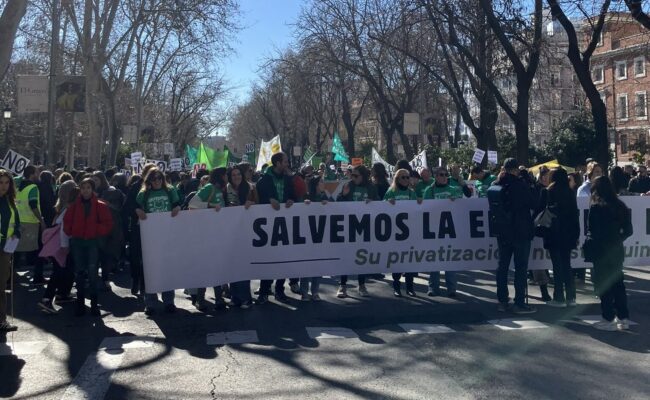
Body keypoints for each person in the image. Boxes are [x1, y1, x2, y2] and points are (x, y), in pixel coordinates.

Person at [587, 176, 633, 331]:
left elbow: (592, 230)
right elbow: (629, 230)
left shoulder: (596, 207)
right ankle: (623, 317)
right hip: (616, 249)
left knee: (603, 285)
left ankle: (608, 317)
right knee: (618, 284)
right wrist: (617, 239)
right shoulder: (620, 205)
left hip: (601, 251)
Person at [492, 158, 537, 314]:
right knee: (521, 267)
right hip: (520, 231)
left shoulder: (496, 185)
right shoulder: (520, 185)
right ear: (515, 170)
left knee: (502, 266)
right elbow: (533, 203)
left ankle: (502, 301)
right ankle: (519, 302)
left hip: (503, 232)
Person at [63, 178, 113, 317]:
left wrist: (95, 230)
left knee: (92, 274)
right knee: (79, 273)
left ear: (92, 189)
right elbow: (67, 222)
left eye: (88, 188)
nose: (85, 190)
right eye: (83, 187)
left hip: (92, 243)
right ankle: (80, 304)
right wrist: (72, 230)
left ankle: (94, 304)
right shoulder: (74, 206)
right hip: (78, 243)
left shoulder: (100, 205)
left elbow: (108, 224)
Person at [135, 168, 181, 315]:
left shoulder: (170, 191)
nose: (157, 182)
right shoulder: (144, 193)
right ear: (149, 181)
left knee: (168, 267)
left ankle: (169, 301)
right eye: (154, 179)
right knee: (150, 269)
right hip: (150, 236)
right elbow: (134, 206)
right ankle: (150, 302)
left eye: (159, 179)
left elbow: (179, 203)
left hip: (167, 235)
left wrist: (177, 208)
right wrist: (138, 211)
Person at [255, 152, 296, 304]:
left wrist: (292, 200)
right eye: (285, 161)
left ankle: (280, 290)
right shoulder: (264, 180)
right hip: (267, 226)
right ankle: (264, 291)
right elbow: (258, 197)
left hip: (284, 224)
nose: (287, 164)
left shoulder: (288, 178)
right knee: (269, 259)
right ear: (278, 163)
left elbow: (293, 195)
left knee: (283, 259)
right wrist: (268, 200)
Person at [423, 166, 468, 297]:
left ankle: (452, 289)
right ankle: (433, 288)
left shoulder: (453, 190)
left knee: (450, 260)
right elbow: (425, 209)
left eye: (445, 175)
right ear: (436, 177)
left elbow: (463, 204)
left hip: (450, 230)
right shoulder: (429, 191)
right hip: (434, 230)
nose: (444, 177)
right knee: (434, 260)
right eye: (441, 175)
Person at [538, 168, 580, 308]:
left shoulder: (547, 192)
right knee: (567, 265)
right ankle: (571, 297)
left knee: (557, 266)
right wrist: (576, 234)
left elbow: (540, 211)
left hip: (553, 232)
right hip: (568, 233)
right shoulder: (570, 193)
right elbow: (575, 215)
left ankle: (559, 297)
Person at [336, 165, 378, 297]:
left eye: (355, 175)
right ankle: (342, 285)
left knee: (362, 256)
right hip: (349, 226)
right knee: (346, 256)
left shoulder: (371, 188)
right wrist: (343, 194)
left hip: (365, 226)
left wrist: (373, 202)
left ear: (363, 176)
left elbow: (379, 204)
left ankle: (362, 285)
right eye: (352, 175)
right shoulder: (349, 185)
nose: (352, 178)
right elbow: (338, 201)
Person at [37, 181, 79, 313]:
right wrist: (66, 245)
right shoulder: (69, 208)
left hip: (57, 245)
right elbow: (64, 230)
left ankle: (62, 295)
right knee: (59, 272)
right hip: (62, 245)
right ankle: (47, 299)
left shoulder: (61, 207)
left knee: (63, 271)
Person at [191, 168, 228, 311]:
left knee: (217, 267)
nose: (227, 177)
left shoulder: (220, 190)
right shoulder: (209, 188)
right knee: (205, 267)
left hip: (217, 234)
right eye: (225, 175)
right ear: (220, 176)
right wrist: (211, 205)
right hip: (205, 235)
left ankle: (219, 298)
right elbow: (192, 205)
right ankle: (200, 299)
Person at [226, 165, 258, 309]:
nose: (236, 177)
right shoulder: (225, 189)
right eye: (233, 175)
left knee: (243, 265)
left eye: (238, 174)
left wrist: (251, 204)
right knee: (232, 265)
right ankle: (235, 296)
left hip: (247, 230)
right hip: (230, 231)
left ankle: (246, 297)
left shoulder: (251, 188)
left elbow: (259, 204)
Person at [384, 169, 420, 297]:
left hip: (409, 232)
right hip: (395, 232)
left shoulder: (411, 193)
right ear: (397, 179)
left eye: (407, 177)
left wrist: (420, 203)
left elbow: (417, 209)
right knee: (397, 261)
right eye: (403, 178)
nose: (406, 180)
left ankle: (410, 287)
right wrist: (388, 203)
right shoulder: (391, 192)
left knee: (409, 261)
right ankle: (396, 287)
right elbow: (381, 208)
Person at [14, 165, 47, 284]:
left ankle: (10, 276)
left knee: (16, 250)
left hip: (18, 221)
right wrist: (41, 220)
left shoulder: (18, 186)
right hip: (31, 223)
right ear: (32, 174)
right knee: (39, 250)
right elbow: (33, 205)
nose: (38, 174)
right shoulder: (33, 187)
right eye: (37, 172)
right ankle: (38, 277)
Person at [0, 170, 20, 332]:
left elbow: (17, 224)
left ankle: (1, 319)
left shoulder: (11, 201)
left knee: (1, 284)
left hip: (6, 249)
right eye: (1, 182)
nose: (4, 186)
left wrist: (14, 239)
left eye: (7, 183)